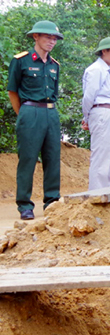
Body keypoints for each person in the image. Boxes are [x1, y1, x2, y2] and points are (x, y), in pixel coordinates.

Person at [7, 21, 64, 220]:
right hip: (30, 111)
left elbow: (54, 93)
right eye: (48, 37)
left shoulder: (55, 65)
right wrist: (23, 114)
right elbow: (12, 91)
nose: (52, 41)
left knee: (52, 158)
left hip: (51, 113)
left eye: (55, 38)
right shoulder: (21, 61)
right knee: (28, 159)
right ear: (36, 37)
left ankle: (52, 202)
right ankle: (24, 205)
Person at [81, 37, 110, 190]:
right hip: (100, 111)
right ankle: (96, 193)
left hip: (109, 111)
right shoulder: (96, 70)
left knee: (109, 155)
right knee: (101, 155)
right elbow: (89, 96)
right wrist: (86, 117)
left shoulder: (106, 70)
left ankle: (106, 191)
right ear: (104, 51)